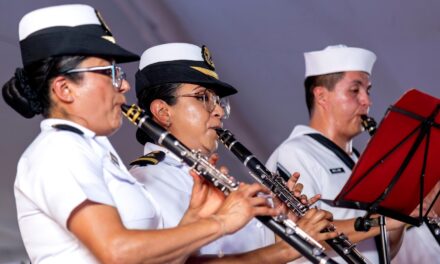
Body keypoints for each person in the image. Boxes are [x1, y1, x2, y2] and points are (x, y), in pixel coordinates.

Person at [4, 5, 280, 263]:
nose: (124, 85)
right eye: (111, 72)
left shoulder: (94, 150)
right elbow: (115, 251)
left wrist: (194, 220)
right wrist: (220, 222)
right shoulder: (58, 150)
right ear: (65, 89)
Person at [129, 42, 337, 263]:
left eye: (218, 101)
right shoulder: (146, 183)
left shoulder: (213, 178)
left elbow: (252, 252)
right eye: (202, 98)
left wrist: (283, 229)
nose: (218, 111)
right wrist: (289, 248)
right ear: (163, 112)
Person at [266, 45, 407, 263]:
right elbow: (304, 236)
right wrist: (384, 221)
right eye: (355, 90)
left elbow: (382, 252)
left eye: (368, 91)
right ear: (321, 95)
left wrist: (403, 214)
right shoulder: (295, 152)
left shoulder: (359, 161)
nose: (367, 102)